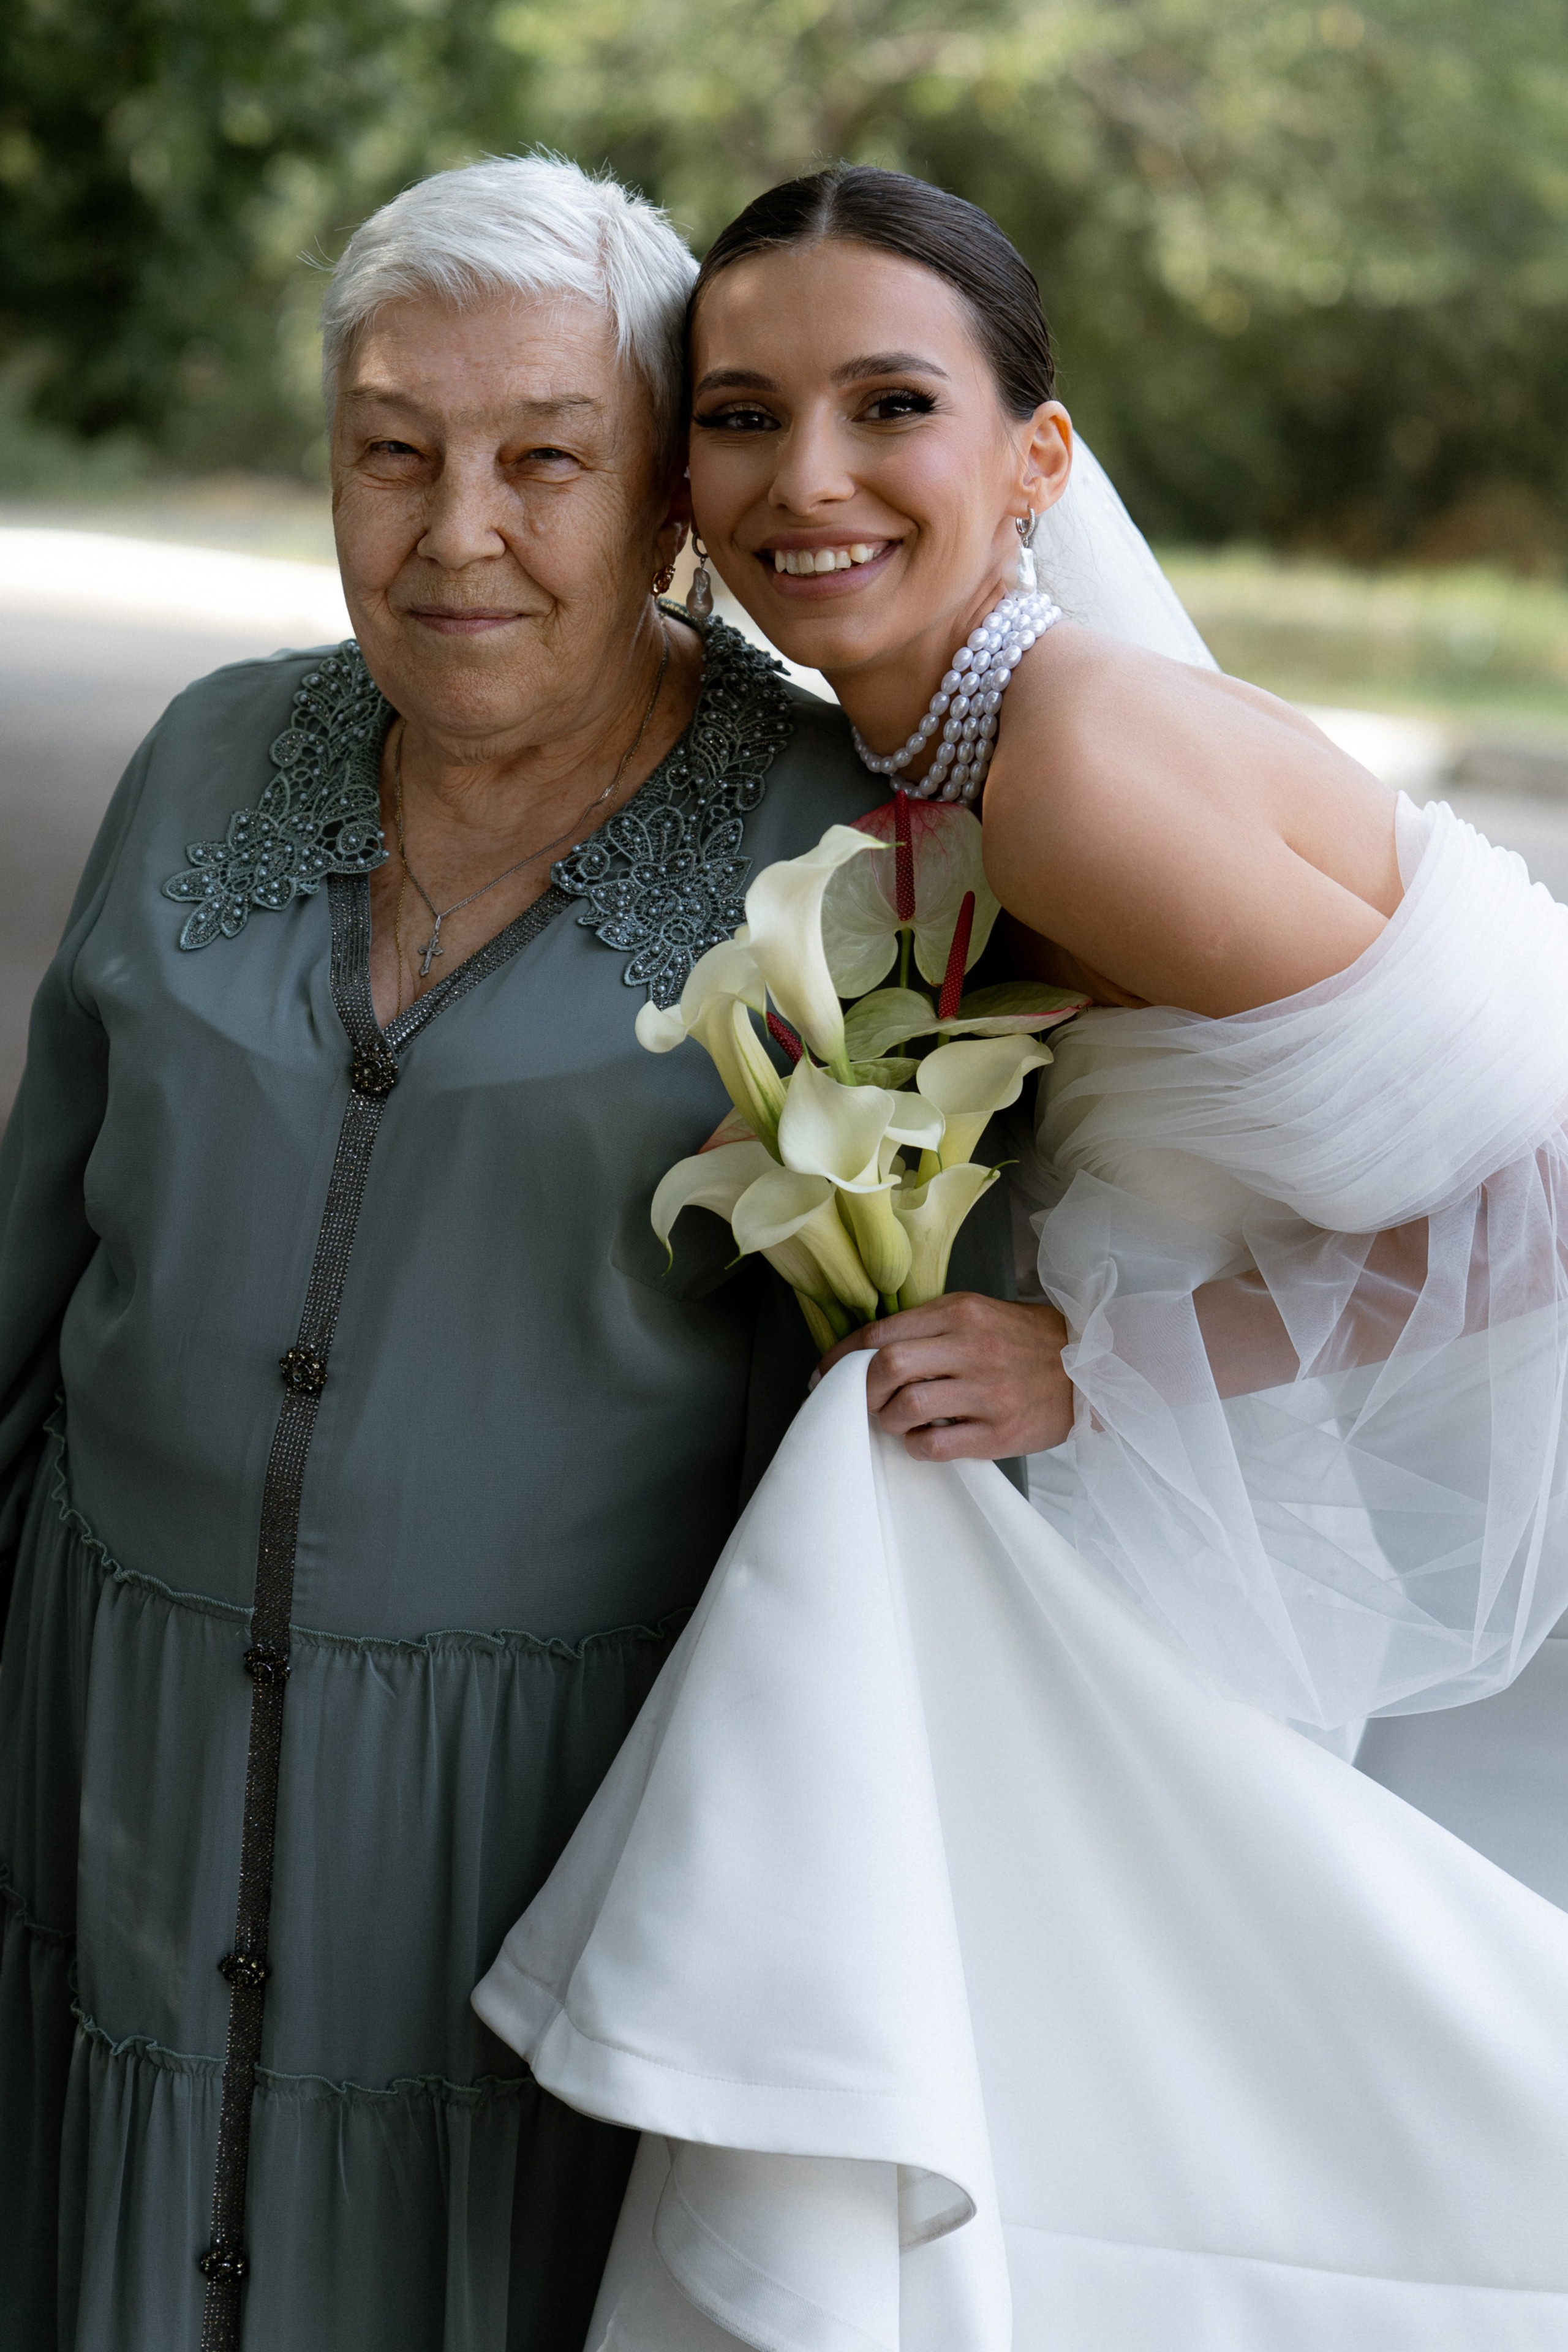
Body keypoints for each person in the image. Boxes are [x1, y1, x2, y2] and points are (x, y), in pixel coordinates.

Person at [470, 168, 1568, 2350]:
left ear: (1036, 460)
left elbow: (1545, 1191)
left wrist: (1101, 1366)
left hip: (1200, 1536)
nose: (812, 481)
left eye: (892, 406)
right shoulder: (917, 782)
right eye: (740, 415)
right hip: (1161, 1539)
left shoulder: (1069, 770)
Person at [0, 155, 1011, 2350]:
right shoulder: (201, 763)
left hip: (542, 1860)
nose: (459, 531)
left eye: (547, 458)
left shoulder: (845, 846)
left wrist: (1074, 1344)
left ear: (667, 494)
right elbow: (27, 1294)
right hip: (116, 1790)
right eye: (392, 453)